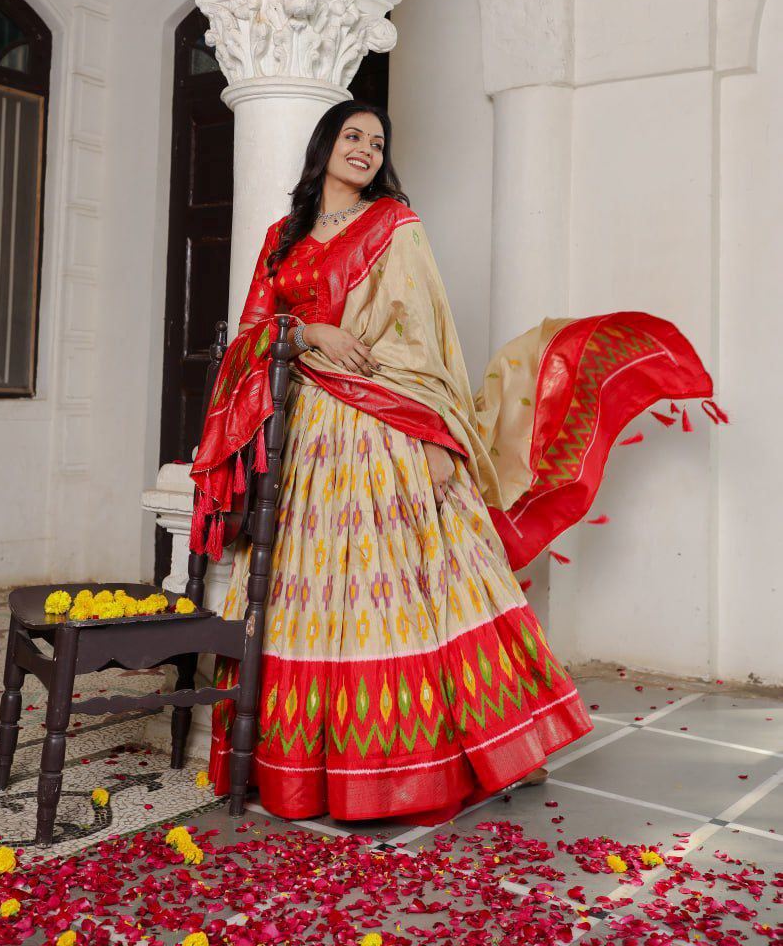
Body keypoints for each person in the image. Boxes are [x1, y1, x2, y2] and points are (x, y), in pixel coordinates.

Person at [189, 101, 715, 823]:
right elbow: (253, 332)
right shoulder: (282, 238)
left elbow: (428, 339)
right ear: (324, 146)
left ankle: (472, 750)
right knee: (309, 597)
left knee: (415, 587)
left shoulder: (393, 226)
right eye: (352, 136)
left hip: (389, 427)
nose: (365, 150)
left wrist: (437, 438)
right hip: (304, 436)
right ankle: (310, 767)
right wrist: (307, 329)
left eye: (377, 142)